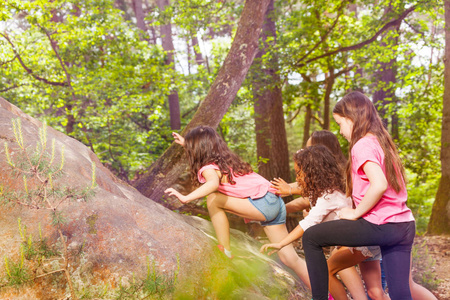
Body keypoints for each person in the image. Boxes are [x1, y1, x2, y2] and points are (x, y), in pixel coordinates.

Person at [301, 91, 416, 300]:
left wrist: (356, 213)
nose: (341, 130)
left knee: (311, 237)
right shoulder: (382, 142)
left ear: (351, 118)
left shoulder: (362, 144)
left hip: (381, 224)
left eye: (340, 123)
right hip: (404, 225)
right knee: (400, 293)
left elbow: (379, 184)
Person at [164, 125, 310, 289]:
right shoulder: (228, 161)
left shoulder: (208, 168)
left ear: (196, 149)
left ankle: (225, 249)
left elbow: (212, 184)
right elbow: (202, 145)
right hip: (273, 200)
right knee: (290, 259)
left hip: (262, 204)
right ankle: (324, 294)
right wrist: (185, 143)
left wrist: (186, 198)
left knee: (213, 199)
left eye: (191, 147)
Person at [259, 144, 354, 295]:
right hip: (345, 245)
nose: (297, 178)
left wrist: (281, 243)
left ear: (312, 173)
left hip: (350, 247)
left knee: (332, 275)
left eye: (299, 174)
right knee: (329, 274)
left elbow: (306, 224)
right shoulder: (328, 190)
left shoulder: (329, 196)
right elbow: (305, 200)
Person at [271, 130, 346, 214]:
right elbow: (299, 188)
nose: (306, 152)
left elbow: (312, 196)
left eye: (309, 148)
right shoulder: (327, 172)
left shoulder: (340, 174)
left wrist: (291, 191)